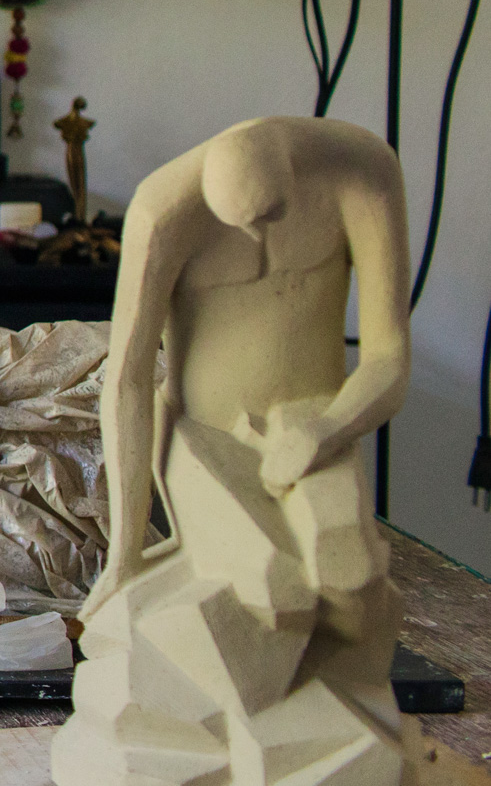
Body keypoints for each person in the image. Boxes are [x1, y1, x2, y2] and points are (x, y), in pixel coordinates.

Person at [52, 117, 415, 786]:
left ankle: (341, 746)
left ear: (292, 174)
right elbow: (127, 381)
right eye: (237, 224)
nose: (253, 236)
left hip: (313, 426)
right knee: (273, 589)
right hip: (205, 437)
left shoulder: (361, 171)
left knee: (350, 578)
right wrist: (124, 550)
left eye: (267, 219)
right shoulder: (163, 211)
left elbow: (389, 360)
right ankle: (255, 749)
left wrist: (326, 431)